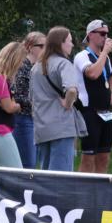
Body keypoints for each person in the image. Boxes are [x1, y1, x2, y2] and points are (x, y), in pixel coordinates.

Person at [30, 26, 84, 172]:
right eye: (70, 41)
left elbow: (32, 99)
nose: (72, 44)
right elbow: (72, 89)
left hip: (42, 129)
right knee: (61, 178)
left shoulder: (36, 67)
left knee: (45, 175)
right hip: (61, 127)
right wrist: (67, 103)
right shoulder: (63, 64)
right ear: (61, 42)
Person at [73, 19, 112, 174]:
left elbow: (111, 76)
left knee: (104, 156)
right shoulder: (82, 56)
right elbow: (92, 73)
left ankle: (99, 193)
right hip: (89, 112)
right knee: (88, 158)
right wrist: (104, 52)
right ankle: (82, 194)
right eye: (102, 33)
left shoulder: (106, 58)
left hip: (106, 112)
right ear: (90, 35)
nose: (106, 37)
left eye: (107, 34)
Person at [10, 31, 45, 168]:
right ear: (30, 47)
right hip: (23, 120)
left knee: (33, 163)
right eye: (41, 46)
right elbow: (17, 96)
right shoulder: (22, 66)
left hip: (35, 119)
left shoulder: (37, 67)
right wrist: (41, 103)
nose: (45, 50)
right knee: (27, 164)